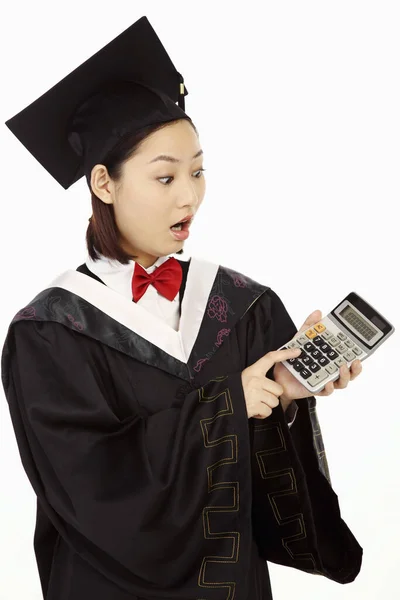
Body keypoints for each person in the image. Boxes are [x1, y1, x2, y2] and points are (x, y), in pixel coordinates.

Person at [1, 15, 363, 600]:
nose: (189, 196)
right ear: (103, 183)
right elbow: (89, 490)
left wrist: (283, 400)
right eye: (165, 177)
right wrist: (228, 406)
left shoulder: (243, 307)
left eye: (197, 172)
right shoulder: (50, 333)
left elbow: (267, 499)